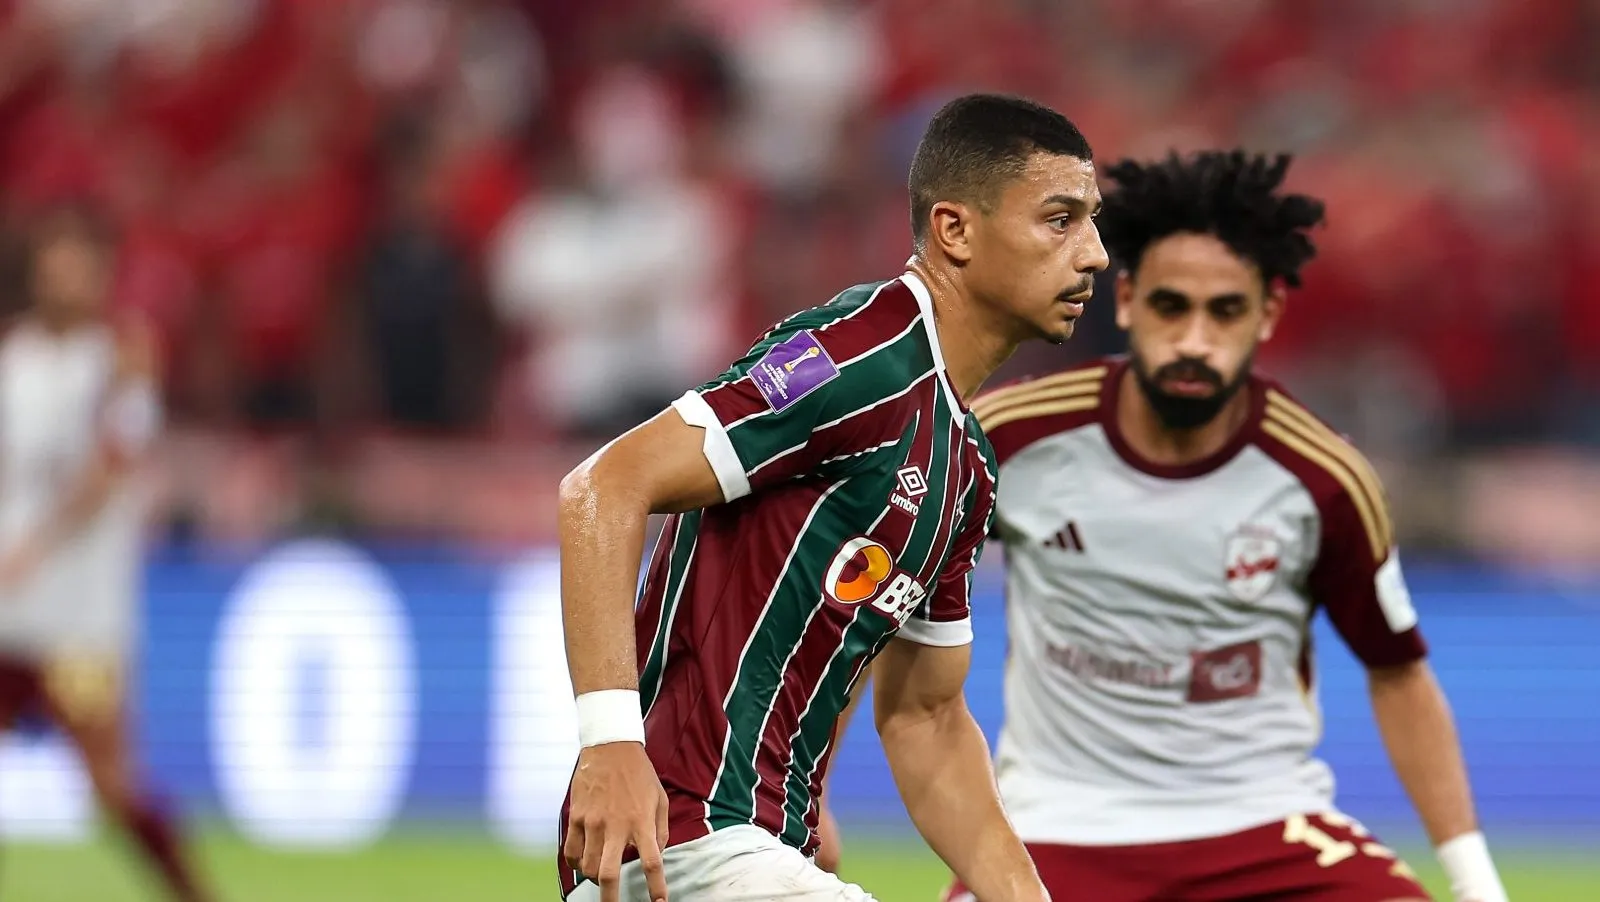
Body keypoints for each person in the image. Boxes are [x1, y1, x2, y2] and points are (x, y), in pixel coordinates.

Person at [555, 92, 1109, 902]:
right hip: (684, 839)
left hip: (758, 849)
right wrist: (609, 746)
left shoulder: (967, 467)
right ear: (955, 230)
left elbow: (928, 718)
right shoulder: (861, 354)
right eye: (1061, 220)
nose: (1093, 253)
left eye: (1093, 222)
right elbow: (603, 485)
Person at [928, 150, 1506, 902]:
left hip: (1264, 825)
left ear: (1266, 315)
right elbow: (870, 606)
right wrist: (806, 811)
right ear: (1129, 300)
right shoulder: (1010, 440)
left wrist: (1475, 881)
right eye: (1172, 306)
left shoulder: (1322, 477)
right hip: (1056, 829)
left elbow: (1397, 669)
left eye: (1224, 311)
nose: (1195, 339)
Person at [0, 206, 215, 902]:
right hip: (6, 611)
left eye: (82, 263)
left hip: (77, 619)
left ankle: (191, 891)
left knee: (111, 786)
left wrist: (34, 543)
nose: (68, 277)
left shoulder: (123, 354)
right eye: (56, 261)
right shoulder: (13, 354)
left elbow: (115, 459)